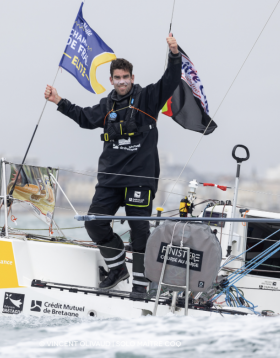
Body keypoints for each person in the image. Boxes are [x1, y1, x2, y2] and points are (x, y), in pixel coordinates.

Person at [44, 34, 181, 297]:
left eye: (125, 77)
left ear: (131, 77)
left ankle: (142, 284)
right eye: (117, 78)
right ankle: (117, 268)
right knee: (94, 222)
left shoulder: (148, 99)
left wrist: (174, 54)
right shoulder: (107, 106)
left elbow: (171, 80)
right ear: (111, 80)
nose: (121, 82)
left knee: (139, 229)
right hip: (110, 179)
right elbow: (84, 118)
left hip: (140, 179)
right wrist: (59, 102)